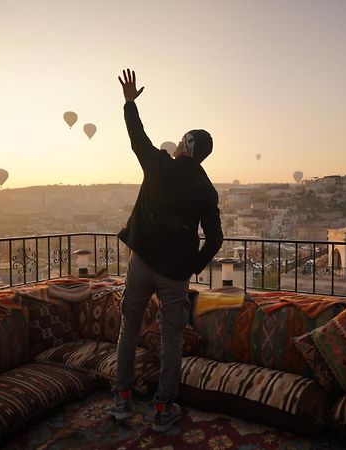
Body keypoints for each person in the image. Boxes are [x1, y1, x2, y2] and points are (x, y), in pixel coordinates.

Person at [110, 69, 223, 432]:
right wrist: (193, 265)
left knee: (129, 328)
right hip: (175, 273)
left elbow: (136, 138)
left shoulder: (157, 165)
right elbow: (216, 239)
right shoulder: (207, 190)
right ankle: (162, 408)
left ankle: (123, 399)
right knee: (172, 338)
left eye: (181, 141)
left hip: (141, 262)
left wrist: (129, 103)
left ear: (185, 147)